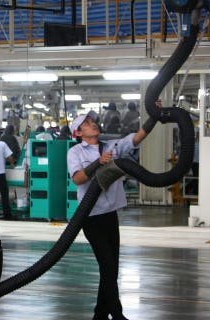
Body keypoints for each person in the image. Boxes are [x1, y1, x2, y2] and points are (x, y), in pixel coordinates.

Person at [67, 109, 156, 320]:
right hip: (90, 217)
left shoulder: (112, 147)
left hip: (109, 215)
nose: (93, 123)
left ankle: (100, 314)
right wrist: (98, 162)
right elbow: (78, 179)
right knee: (107, 265)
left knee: (111, 267)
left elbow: (138, 136)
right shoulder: (76, 152)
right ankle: (116, 314)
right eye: (87, 123)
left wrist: (156, 115)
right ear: (79, 133)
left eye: (92, 121)